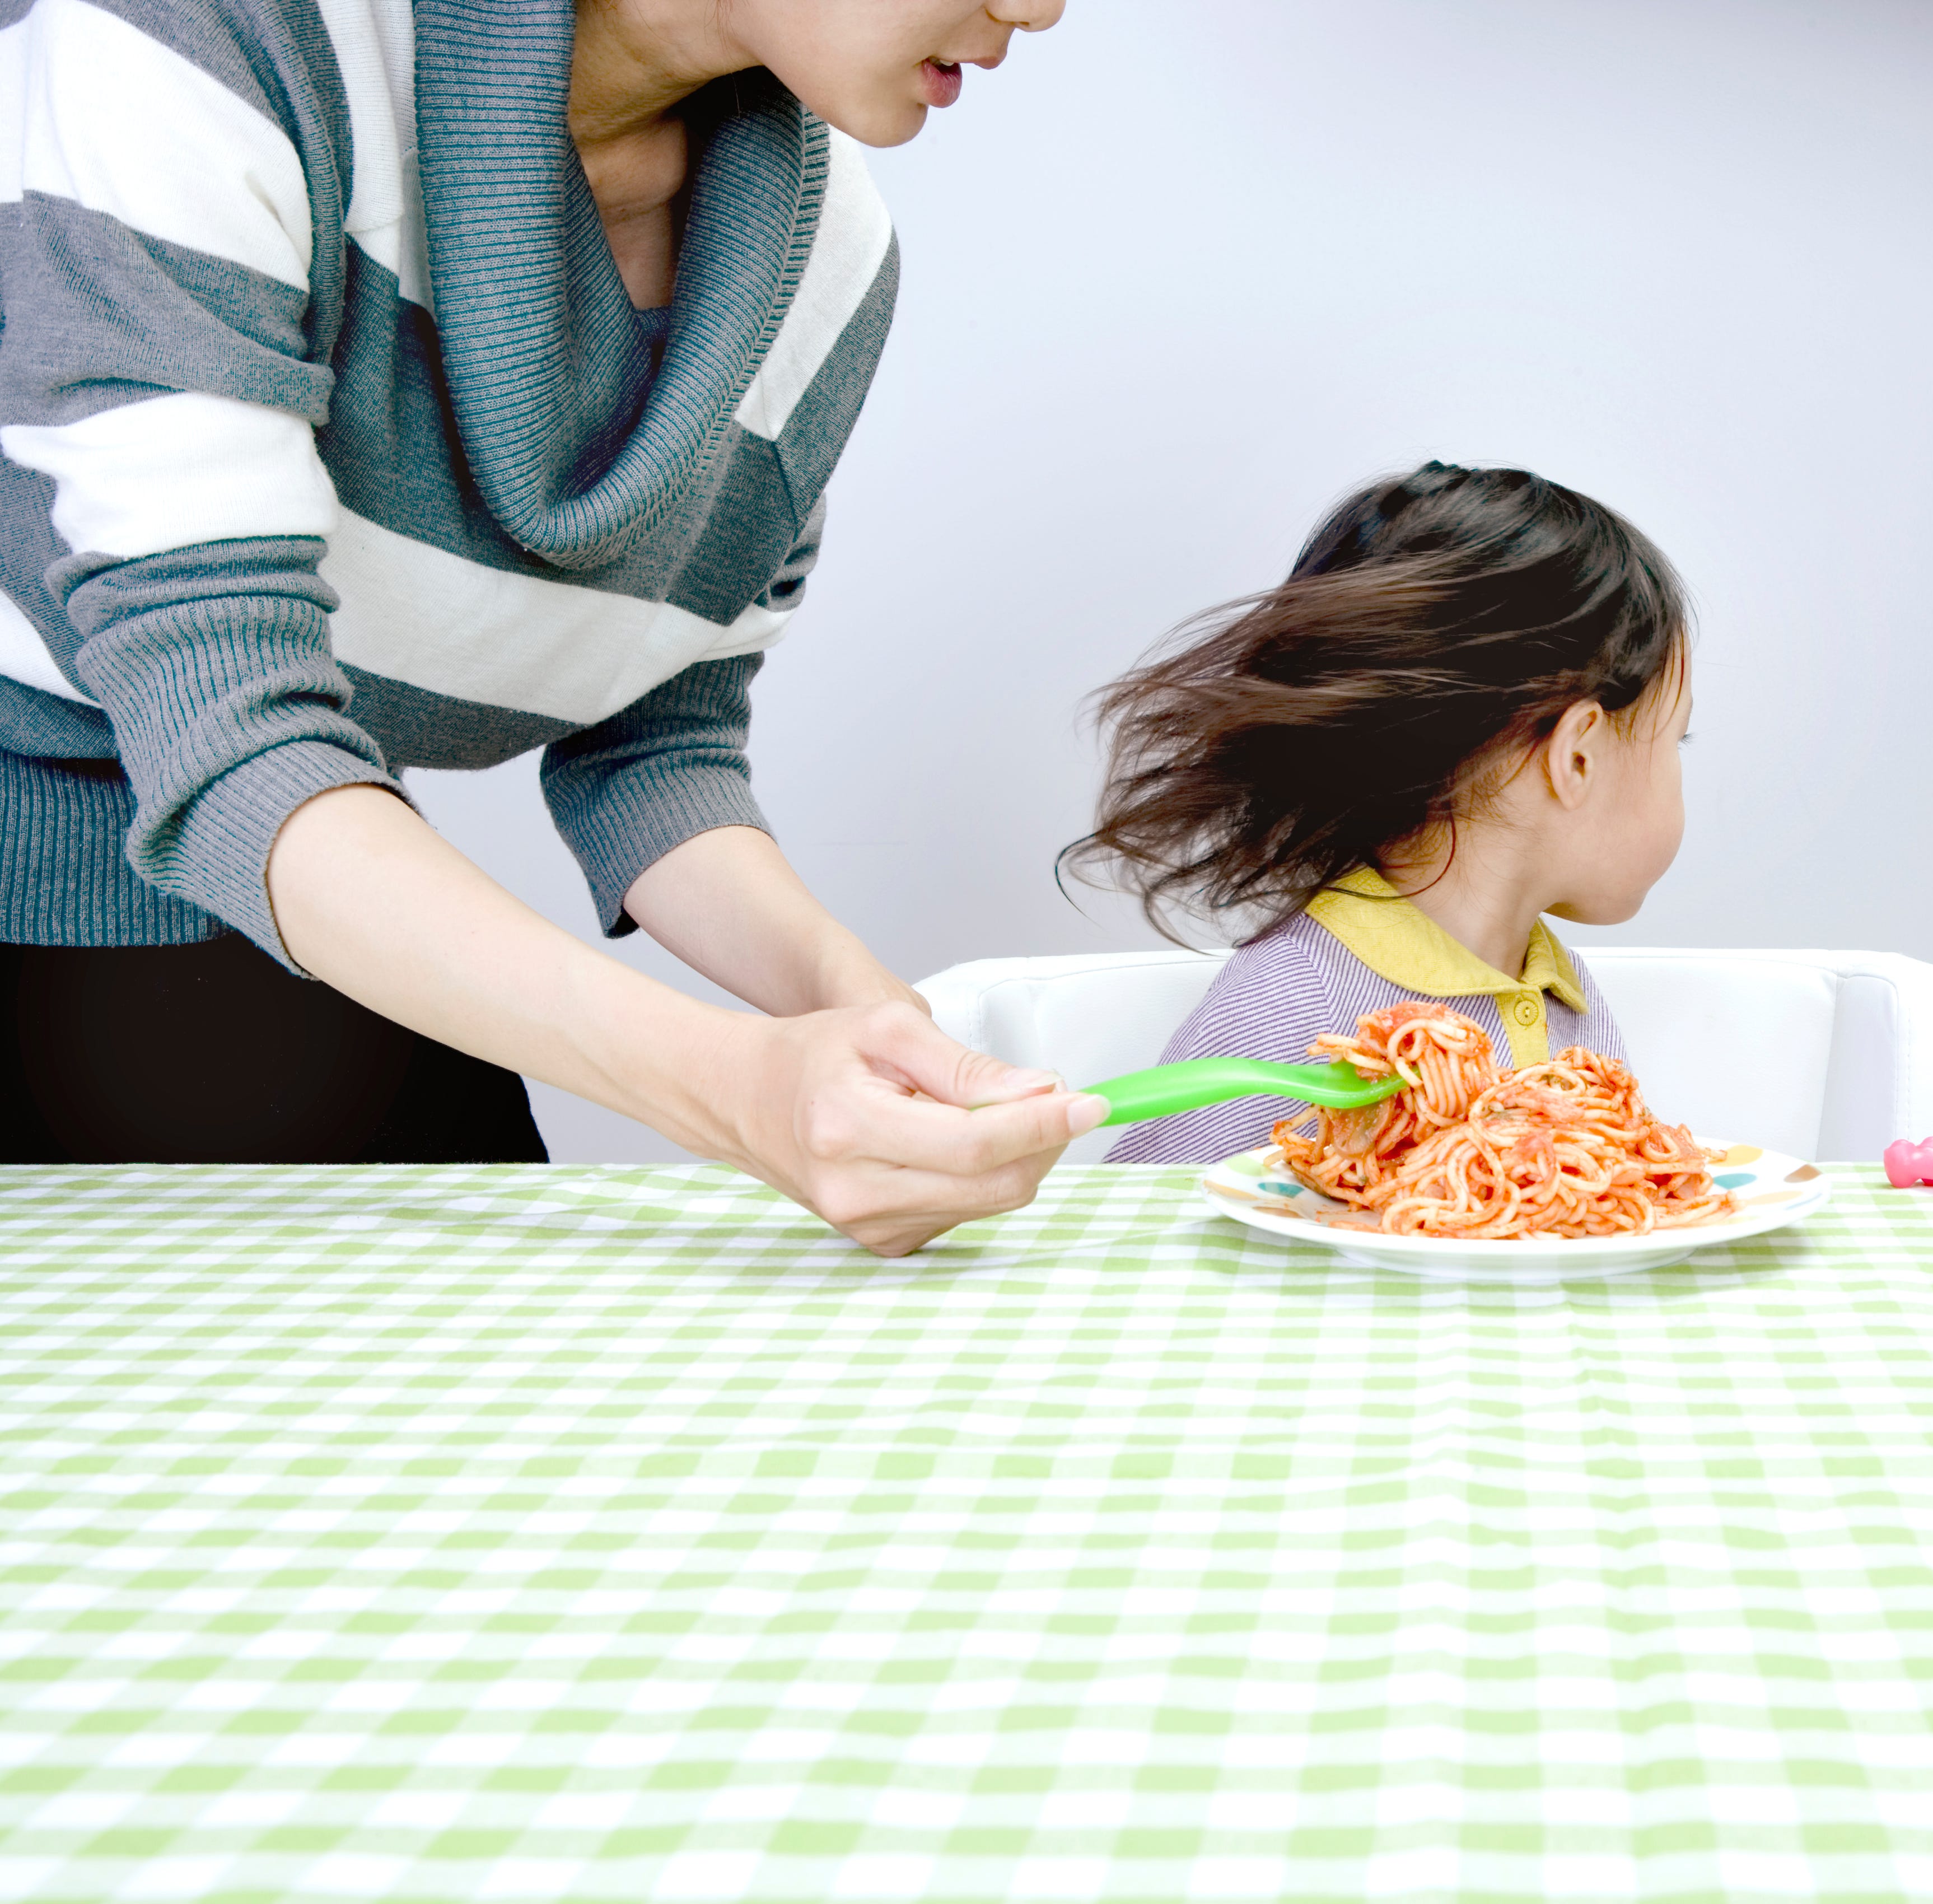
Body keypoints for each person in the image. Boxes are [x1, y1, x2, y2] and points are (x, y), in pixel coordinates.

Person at [0, 0, 1104, 1253]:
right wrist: (744, 1090)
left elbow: (656, 745)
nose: (1043, 7)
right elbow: (229, 736)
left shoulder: (832, 266)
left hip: (323, 922)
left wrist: (863, 1010)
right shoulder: (210, 39)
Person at [1070, 461, 1697, 1164]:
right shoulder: (1296, 997)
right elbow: (1144, 1230)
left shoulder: (1560, 991)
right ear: (1577, 756)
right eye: (1678, 739)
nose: (1679, 769)